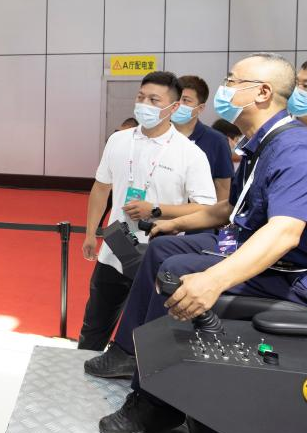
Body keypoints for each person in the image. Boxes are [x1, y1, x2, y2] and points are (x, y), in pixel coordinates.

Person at [96, 53, 307, 433]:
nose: (223, 88)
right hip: (269, 255)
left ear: (262, 93)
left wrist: (213, 281)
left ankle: (156, 404)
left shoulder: (296, 150)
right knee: (162, 249)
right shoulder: (264, 144)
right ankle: (128, 351)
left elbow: (285, 232)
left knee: (179, 272)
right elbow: (231, 209)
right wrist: (175, 223)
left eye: (232, 80)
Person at [79, 72, 216, 370]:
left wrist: (155, 209)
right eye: (141, 97)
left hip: (158, 258)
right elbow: (101, 188)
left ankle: (140, 380)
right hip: (114, 250)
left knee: (146, 331)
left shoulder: (190, 154)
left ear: (173, 107)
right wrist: (90, 233)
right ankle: (79, 372)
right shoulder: (118, 140)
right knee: (94, 324)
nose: (145, 105)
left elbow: (206, 209)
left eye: (154, 100)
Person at [173, 75, 234, 201]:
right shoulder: (158, 134)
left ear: (200, 108)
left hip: (198, 211)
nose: (179, 104)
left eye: (186, 100)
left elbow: (223, 189)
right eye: (176, 98)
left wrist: (216, 214)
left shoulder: (217, 141)